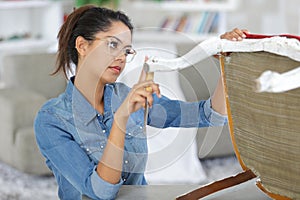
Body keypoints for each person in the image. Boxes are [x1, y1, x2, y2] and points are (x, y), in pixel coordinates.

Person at [34, 4, 248, 200]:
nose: (121, 57)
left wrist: (226, 61)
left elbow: (210, 115)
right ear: (82, 45)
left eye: (127, 51)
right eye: (112, 45)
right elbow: (101, 191)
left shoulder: (126, 96)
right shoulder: (51, 120)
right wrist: (121, 119)